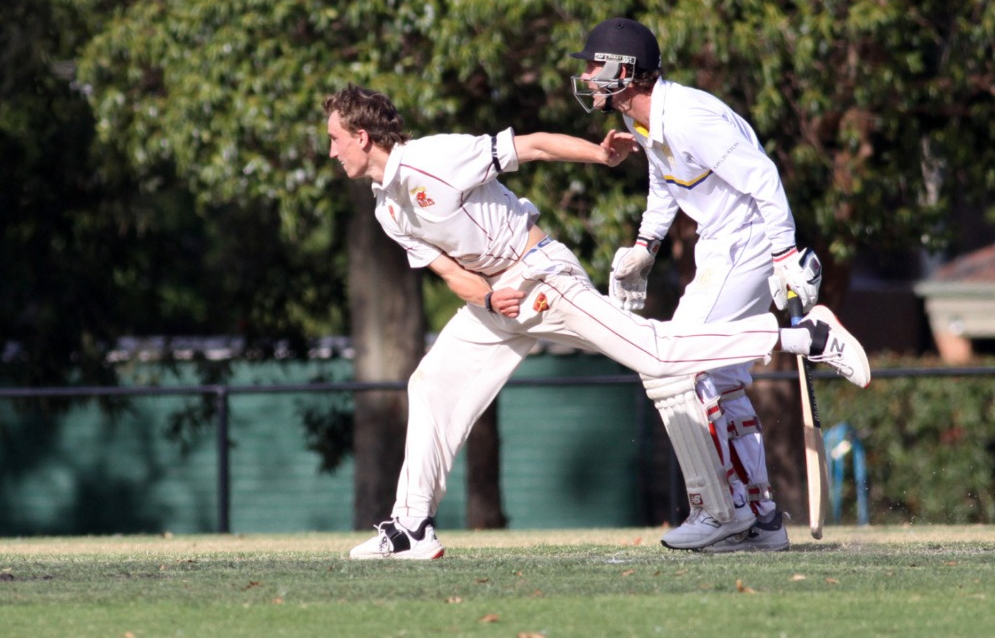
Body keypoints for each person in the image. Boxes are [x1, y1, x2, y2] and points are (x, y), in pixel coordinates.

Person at [319, 84, 870, 560]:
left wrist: (600, 156)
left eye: (334, 138)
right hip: (502, 300)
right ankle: (411, 527)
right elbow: (447, 272)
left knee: (659, 356)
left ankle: (806, 336)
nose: (330, 150)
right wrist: (489, 302)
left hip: (543, 276)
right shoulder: (386, 208)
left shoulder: (433, 159)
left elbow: (529, 145)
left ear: (362, 136)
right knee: (432, 383)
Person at [572, 17, 823, 552]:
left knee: (681, 362)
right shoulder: (645, 121)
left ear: (626, 71)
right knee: (720, 375)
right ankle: (759, 518)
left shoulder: (688, 116)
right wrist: (645, 247)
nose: (589, 77)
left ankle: (722, 510)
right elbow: (665, 185)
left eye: (596, 66)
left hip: (748, 241)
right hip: (720, 244)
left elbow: (763, 177)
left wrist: (783, 254)